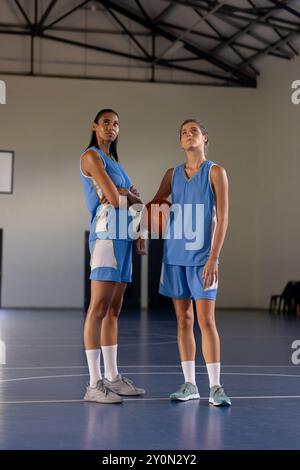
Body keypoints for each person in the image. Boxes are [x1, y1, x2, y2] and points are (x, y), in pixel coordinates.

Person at [151, 119, 231, 406]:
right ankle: (189, 384)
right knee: (183, 320)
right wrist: (145, 209)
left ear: (205, 137)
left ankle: (216, 387)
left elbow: (223, 219)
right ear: (180, 141)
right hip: (174, 256)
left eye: (193, 131)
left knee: (206, 321)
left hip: (203, 259)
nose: (188, 135)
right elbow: (156, 203)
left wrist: (214, 258)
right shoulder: (171, 174)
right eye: (183, 132)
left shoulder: (216, 172)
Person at [80, 108, 146, 404]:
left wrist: (125, 194)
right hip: (106, 235)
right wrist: (126, 194)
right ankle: (93, 384)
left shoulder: (116, 163)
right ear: (95, 126)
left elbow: (131, 199)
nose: (111, 127)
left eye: (116, 123)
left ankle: (112, 377)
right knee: (98, 307)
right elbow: (117, 199)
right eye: (106, 122)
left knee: (115, 310)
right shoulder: (91, 157)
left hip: (124, 238)